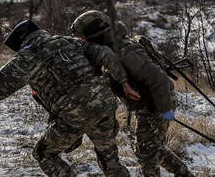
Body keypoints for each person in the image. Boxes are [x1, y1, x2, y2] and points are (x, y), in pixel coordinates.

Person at [0, 20, 130, 177]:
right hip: (105, 105)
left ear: (21, 43)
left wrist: (0, 75)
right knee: (110, 162)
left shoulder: (26, 57)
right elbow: (104, 53)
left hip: (74, 115)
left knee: (44, 154)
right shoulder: (70, 41)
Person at [72, 10, 193, 177]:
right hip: (148, 103)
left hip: (156, 102)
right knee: (153, 148)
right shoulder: (110, 49)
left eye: (84, 37)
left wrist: (165, 109)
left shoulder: (125, 51)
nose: (82, 41)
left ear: (94, 34)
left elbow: (157, 78)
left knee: (146, 154)